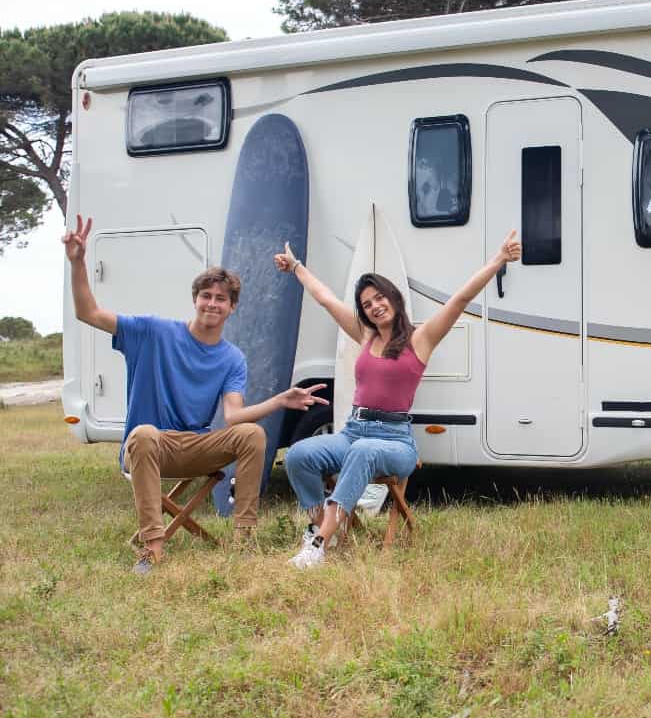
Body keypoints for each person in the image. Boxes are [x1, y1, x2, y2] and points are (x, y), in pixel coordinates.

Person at [63, 215, 329, 574]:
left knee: (252, 433)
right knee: (143, 434)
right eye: (206, 296)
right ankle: (152, 549)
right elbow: (88, 312)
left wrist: (281, 400)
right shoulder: (152, 332)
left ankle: (243, 539)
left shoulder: (232, 357)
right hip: (149, 447)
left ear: (232, 308)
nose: (212, 303)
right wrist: (78, 261)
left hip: (195, 446)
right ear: (195, 299)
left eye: (221, 299)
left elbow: (233, 417)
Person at [276, 230, 521, 569]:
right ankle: (319, 525)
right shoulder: (364, 335)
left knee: (364, 451)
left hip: (395, 441)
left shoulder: (421, 339)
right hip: (353, 432)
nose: (374, 306)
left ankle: (320, 543)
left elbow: (460, 300)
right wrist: (296, 267)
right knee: (299, 455)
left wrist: (499, 260)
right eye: (366, 304)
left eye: (379, 298)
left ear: (393, 298)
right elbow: (326, 299)